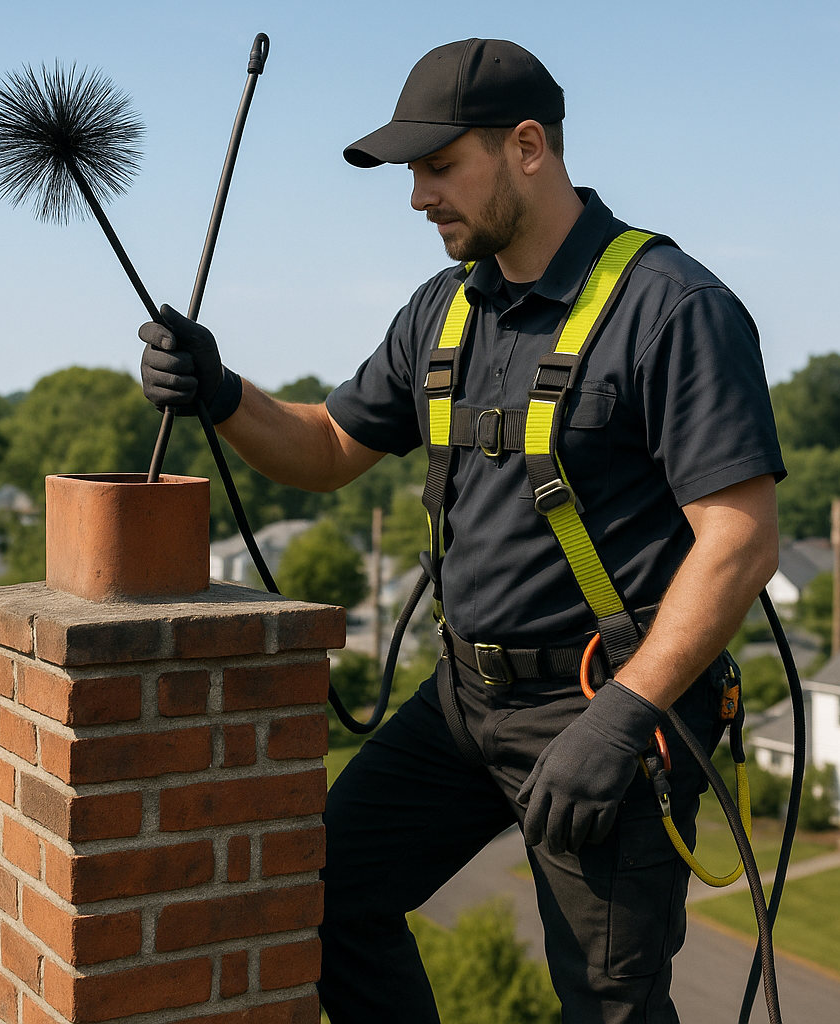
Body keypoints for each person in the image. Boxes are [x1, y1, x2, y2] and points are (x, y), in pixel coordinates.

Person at [139, 38, 784, 1024]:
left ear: (528, 146)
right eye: (412, 172)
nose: (417, 197)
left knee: (611, 1006)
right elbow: (325, 446)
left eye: (440, 166)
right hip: (462, 705)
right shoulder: (442, 314)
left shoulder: (671, 308)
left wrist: (628, 713)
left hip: (607, 714)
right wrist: (221, 392)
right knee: (323, 895)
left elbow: (739, 538)